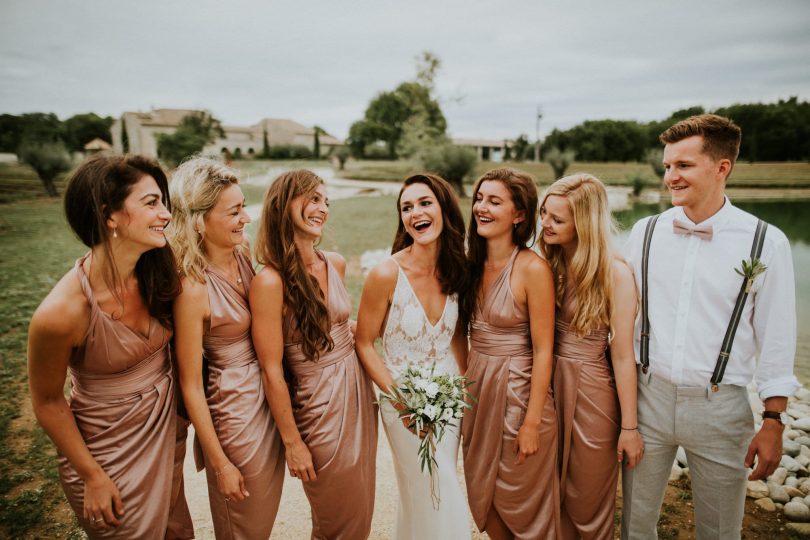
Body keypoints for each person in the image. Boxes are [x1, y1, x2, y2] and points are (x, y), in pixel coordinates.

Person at [621, 114, 798, 539]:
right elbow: (622, 319)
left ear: (722, 168)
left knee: (721, 531)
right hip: (647, 399)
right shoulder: (645, 232)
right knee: (634, 524)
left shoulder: (765, 242)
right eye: (667, 166)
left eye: (683, 165)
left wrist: (773, 420)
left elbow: (777, 338)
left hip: (722, 408)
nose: (670, 177)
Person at [27, 154, 193, 538]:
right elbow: (47, 401)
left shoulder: (159, 270)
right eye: (151, 203)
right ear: (109, 215)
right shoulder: (60, 313)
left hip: (168, 440)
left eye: (163, 203)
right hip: (108, 460)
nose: (166, 215)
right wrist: (92, 477)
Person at [250, 169, 378, 539]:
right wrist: (293, 443)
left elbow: (342, 328)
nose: (322, 208)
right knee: (336, 518)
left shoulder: (333, 262)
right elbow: (272, 371)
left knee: (359, 510)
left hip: (357, 392)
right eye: (312, 199)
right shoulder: (269, 282)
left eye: (325, 201)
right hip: (319, 408)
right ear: (282, 204)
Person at [168, 157, 284, 539]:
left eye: (243, 207)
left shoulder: (243, 251)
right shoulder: (192, 290)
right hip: (234, 413)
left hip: (266, 398)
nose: (246, 219)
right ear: (199, 220)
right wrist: (219, 463)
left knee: (263, 518)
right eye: (234, 212)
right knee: (242, 524)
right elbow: (190, 384)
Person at [355, 173, 471, 540]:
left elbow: (456, 339)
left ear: (444, 210)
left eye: (424, 203)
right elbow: (363, 343)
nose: (415, 213)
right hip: (401, 400)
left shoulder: (460, 268)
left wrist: (467, 394)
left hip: (449, 399)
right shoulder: (385, 273)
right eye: (406, 207)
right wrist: (401, 400)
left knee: (435, 486)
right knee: (435, 484)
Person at [539, 173, 644, 539]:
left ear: (583, 223)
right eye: (544, 214)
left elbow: (622, 355)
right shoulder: (544, 264)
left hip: (591, 395)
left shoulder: (615, 274)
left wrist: (629, 428)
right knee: (546, 494)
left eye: (557, 219)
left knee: (587, 501)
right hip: (545, 386)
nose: (546, 224)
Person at [460, 167, 559, 539]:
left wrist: (531, 422)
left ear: (519, 215)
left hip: (519, 398)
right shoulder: (470, 263)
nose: (481, 208)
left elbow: (545, 350)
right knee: (483, 496)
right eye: (480, 199)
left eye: (494, 201)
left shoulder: (533, 269)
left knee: (521, 503)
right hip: (477, 394)